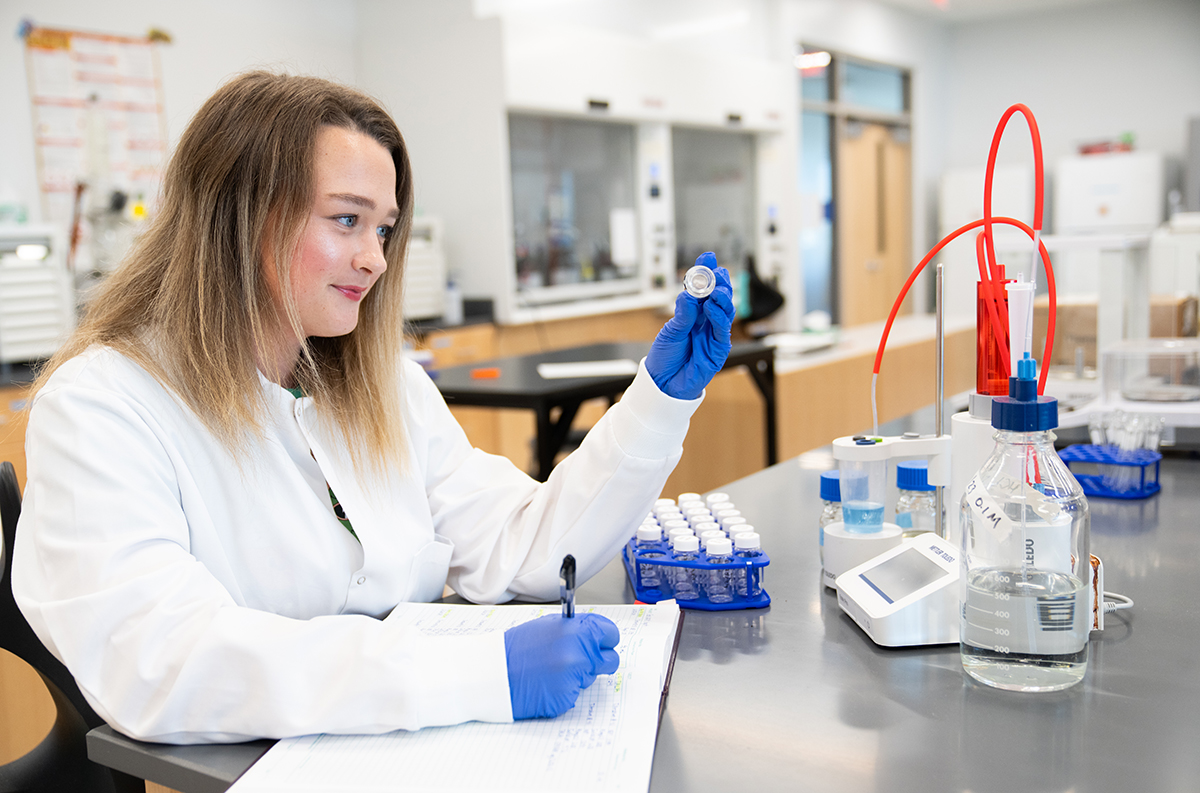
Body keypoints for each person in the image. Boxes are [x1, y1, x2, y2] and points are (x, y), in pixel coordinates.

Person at [12, 72, 735, 743]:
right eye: (347, 220)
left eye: (382, 228)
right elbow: (164, 659)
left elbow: (528, 546)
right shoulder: (102, 409)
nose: (376, 259)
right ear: (239, 218)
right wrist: (477, 674)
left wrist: (660, 400)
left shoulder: (381, 386)